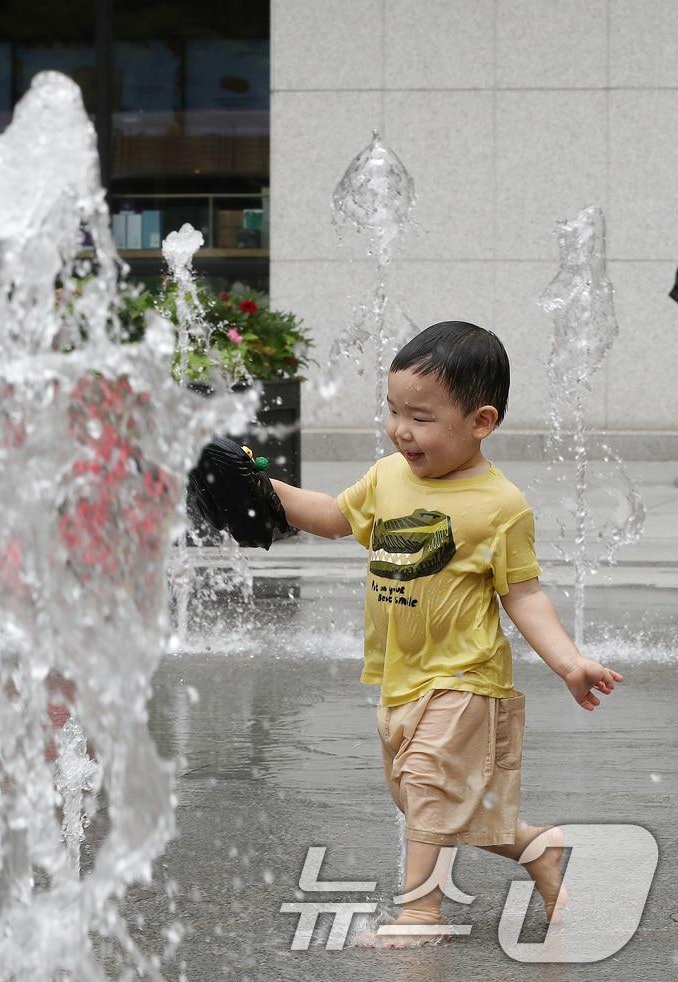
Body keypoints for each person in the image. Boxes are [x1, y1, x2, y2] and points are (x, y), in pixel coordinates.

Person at [215, 320, 623, 947]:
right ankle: (539, 847)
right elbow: (329, 517)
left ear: (480, 422)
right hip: (401, 678)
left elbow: (523, 593)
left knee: (431, 788)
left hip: (465, 678)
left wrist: (569, 662)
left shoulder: (500, 505)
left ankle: (422, 913)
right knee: (426, 803)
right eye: (393, 411)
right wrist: (262, 486)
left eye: (421, 417)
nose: (401, 430)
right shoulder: (388, 477)